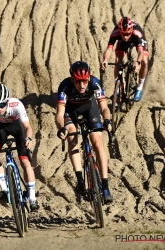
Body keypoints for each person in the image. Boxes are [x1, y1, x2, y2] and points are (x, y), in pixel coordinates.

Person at [55, 61, 113, 203]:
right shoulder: (64, 87)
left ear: (89, 79)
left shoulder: (95, 83)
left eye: (85, 82)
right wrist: (61, 128)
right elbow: (59, 115)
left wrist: (107, 120)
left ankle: (105, 187)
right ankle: (80, 179)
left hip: (89, 108)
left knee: (98, 143)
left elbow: (104, 107)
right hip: (71, 111)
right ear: (72, 80)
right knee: (72, 137)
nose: (82, 86)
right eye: (78, 82)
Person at [0, 83, 40, 211]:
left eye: (2, 105)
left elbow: (27, 127)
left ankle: (32, 197)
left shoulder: (17, 104)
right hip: (0, 129)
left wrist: (29, 139)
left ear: (7, 101)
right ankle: (4, 189)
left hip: (16, 127)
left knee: (25, 161)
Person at [101, 16, 149, 102]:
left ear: (131, 31)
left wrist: (138, 63)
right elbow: (109, 49)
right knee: (117, 61)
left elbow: (140, 52)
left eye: (127, 34)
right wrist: (105, 60)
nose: (126, 37)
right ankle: (117, 88)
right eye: (123, 34)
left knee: (144, 61)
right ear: (120, 32)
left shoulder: (137, 33)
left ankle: (140, 87)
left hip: (136, 39)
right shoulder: (115, 33)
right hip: (122, 43)